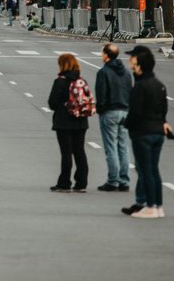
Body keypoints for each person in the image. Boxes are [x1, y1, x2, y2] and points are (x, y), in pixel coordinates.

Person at [123, 45, 171, 219]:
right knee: (153, 170)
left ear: (139, 64)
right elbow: (163, 110)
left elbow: (135, 112)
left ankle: (150, 207)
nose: (130, 62)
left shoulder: (140, 86)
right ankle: (158, 206)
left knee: (144, 171)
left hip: (143, 133)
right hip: (158, 132)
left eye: (132, 59)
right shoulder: (159, 85)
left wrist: (127, 124)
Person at [47, 52, 91, 192]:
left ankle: (64, 182)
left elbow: (52, 103)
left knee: (66, 153)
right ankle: (81, 183)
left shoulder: (60, 81)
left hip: (64, 122)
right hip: (81, 121)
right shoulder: (81, 81)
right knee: (80, 151)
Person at [93, 43, 131, 192]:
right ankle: (124, 180)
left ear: (107, 55)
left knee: (111, 147)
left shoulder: (104, 72)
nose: (101, 55)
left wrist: (100, 109)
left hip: (110, 111)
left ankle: (113, 180)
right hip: (125, 111)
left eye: (102, 53)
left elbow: (101, 93)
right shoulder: (127, 72)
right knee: (123, 147)